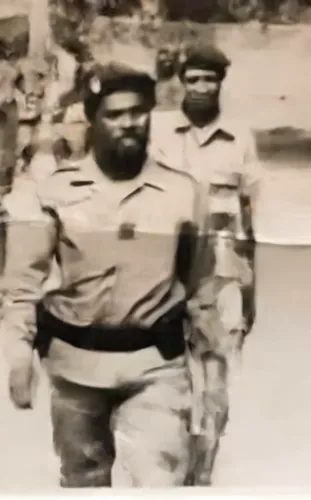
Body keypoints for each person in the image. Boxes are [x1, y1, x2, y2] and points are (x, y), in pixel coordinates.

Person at [0, 61, 208, 488]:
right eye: (114, 114)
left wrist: (213, 374)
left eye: (138, 112)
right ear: (92, 120)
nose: (129, 123)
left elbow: (202, 286)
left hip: (156, 367)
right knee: (83, 480)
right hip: (75, 369)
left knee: (162, 482)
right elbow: (21, 284)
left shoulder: (183, 193)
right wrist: (18, 355)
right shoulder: (51, 193)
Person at [150, 42, 261, 485]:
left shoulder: (240, 138)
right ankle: (171, 465)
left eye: (209, 80)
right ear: (180, 82)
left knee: (216, 379)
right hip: (164, 273)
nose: (200, 88)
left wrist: (251, 288)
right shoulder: (156, 132)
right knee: (165, 377)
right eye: (192, 79)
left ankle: (203, 473)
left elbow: (249, 219)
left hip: (221, 275)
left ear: (221, 84)